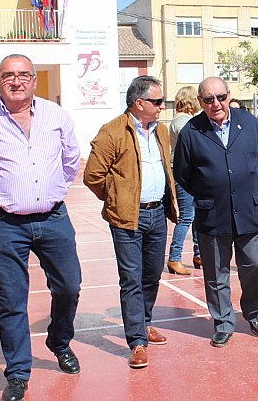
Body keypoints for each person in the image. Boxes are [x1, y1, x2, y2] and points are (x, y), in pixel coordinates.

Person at [0, 54, 82, 401]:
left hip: (54, 219)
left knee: (69, 287)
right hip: (5, 224)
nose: (17, 81)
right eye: (8, 75)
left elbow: (71, 160)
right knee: (12, 301)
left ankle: (59, 342)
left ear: (34, 80)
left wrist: (52, 190)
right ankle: (17, 374)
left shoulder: (56, 116)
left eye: (24, 75)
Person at [83, 76, 178, 369]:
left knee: (152, 274)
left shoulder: (160, 130)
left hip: (157, 213)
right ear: (139, 103)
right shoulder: (112, 132)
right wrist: (116, 199)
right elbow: (92, 176)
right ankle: (137, 341)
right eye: (158, 101)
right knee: (131, 279)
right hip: (127, 217)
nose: (162, 106)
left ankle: (145, 321)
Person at [173, 76, 258, 348]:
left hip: (250, 211)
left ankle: (254, 314)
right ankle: (223, 322)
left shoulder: (249, 123)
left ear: (229, 96)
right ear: (200, 101)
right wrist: (209, 190)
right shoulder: (191, 131)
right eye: (208, 99)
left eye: (220, 97)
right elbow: (182, 173)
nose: (215, 103)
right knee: (216, 273)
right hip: (212, 214)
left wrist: (244, 185)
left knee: (256, 265)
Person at [167, 86, 202, 275]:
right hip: (185, 172)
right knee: (187, 216)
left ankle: (199, 253)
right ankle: (174, 257)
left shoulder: (182, 120)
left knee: (195, 214)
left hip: (188, 171)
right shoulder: (184, 122)